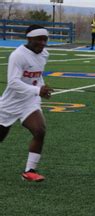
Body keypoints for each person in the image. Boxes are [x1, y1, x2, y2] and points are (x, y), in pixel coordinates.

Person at [0, 25, 54, 182]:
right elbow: (13, 82)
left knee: (40, 130)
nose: (43, 43)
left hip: (29, 101)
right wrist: (37, 91)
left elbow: (37, 76)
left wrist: (41, 88)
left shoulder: (44, 54)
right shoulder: (18, 55)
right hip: (10, 103)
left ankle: (30, 171)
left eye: (45, 39)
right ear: (29, 39)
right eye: (39, 39)